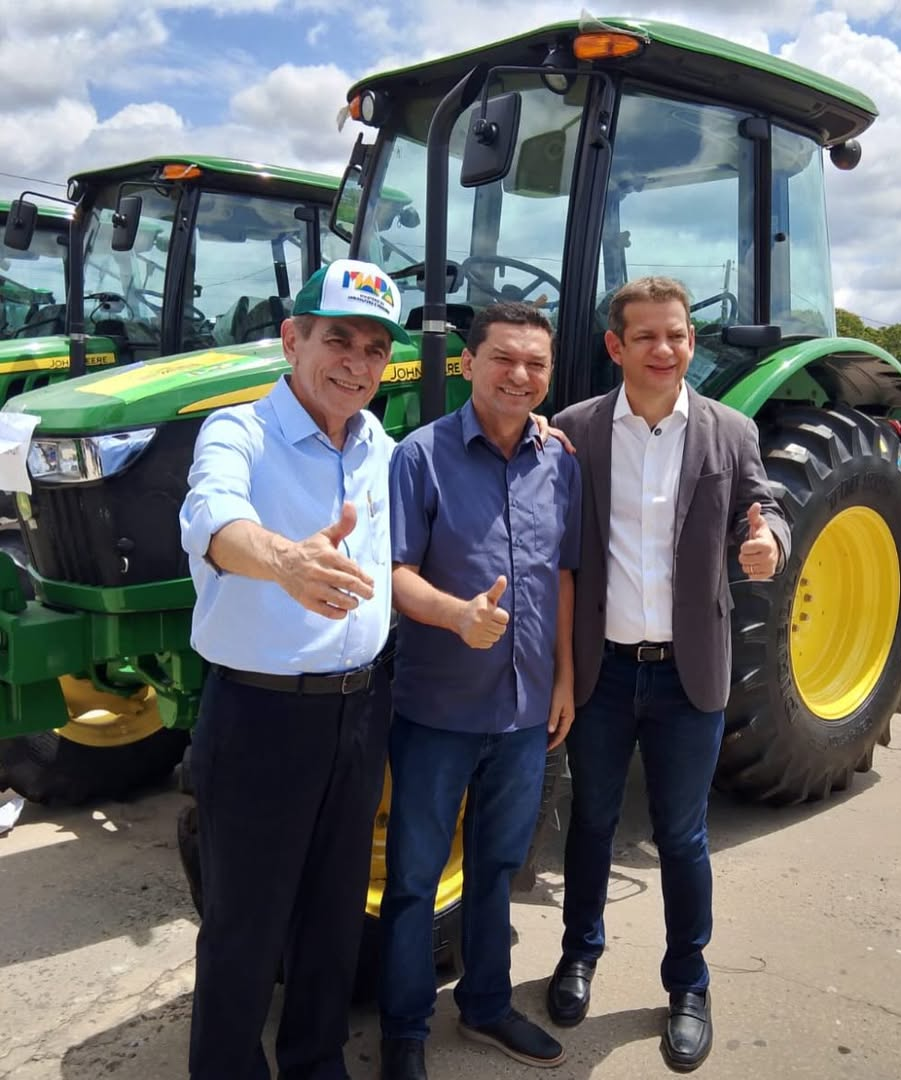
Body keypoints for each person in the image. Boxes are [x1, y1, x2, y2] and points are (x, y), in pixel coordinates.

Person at [544, 276, 791, 1073]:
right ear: (615, 346)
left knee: (683, 835)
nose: (665, 349)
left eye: (677, 335)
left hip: (690, 674)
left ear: (691, 341)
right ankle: (579, 953)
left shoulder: (730, 431)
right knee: (591, 821)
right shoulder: (576, 430)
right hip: (605, 672)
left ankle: (688, 983)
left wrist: (771, 542)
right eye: (646, 336)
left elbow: (765, 506)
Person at [179, 258, 411, 1080]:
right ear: (291, 339)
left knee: (334, 916)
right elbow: (213, 517)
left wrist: (539, 432)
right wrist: (285, 561)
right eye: (338, 340)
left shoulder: (381, 445)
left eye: (375, 350)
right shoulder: (239, 432)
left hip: (359, 711)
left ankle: (316, 1065)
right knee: (245, 926)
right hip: (261, 716)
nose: (357, 363)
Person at [380, 302, 581, 1080]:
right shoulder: (420, 457)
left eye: (536, 363)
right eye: (503, 358)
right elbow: (395, 574)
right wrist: (455, 616)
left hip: (526, 711)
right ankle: (405, 1030)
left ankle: (487, 1006)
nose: (519, 375)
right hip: (439, 710)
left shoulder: (559, 462)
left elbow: (562, 577)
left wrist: (564, 677)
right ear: (468, 364)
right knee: (414, 879)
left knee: (498, 869)